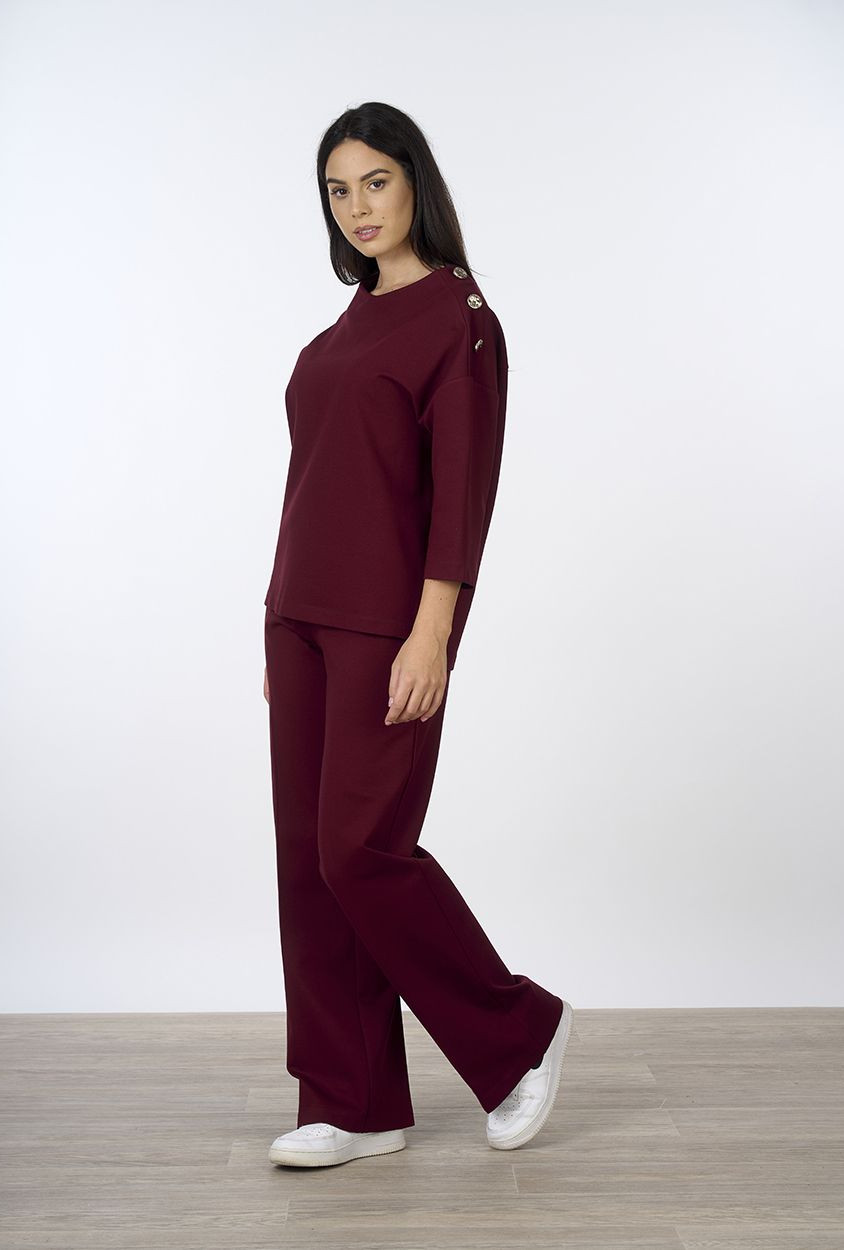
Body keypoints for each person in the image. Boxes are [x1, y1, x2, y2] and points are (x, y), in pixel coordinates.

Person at [262, 102, 573, 1170]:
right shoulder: (338, 331)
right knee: (310, 863)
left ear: (415, 184)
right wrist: (274, 615)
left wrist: (433, 631)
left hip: (388, 623)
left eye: (376, 182)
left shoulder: (459, 319)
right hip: (300, 618)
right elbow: (312, 482)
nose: (357, 207)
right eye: (337, 189)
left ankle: (520, 1033)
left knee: (361, 851)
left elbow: (462, 493)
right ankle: (353, 1102)